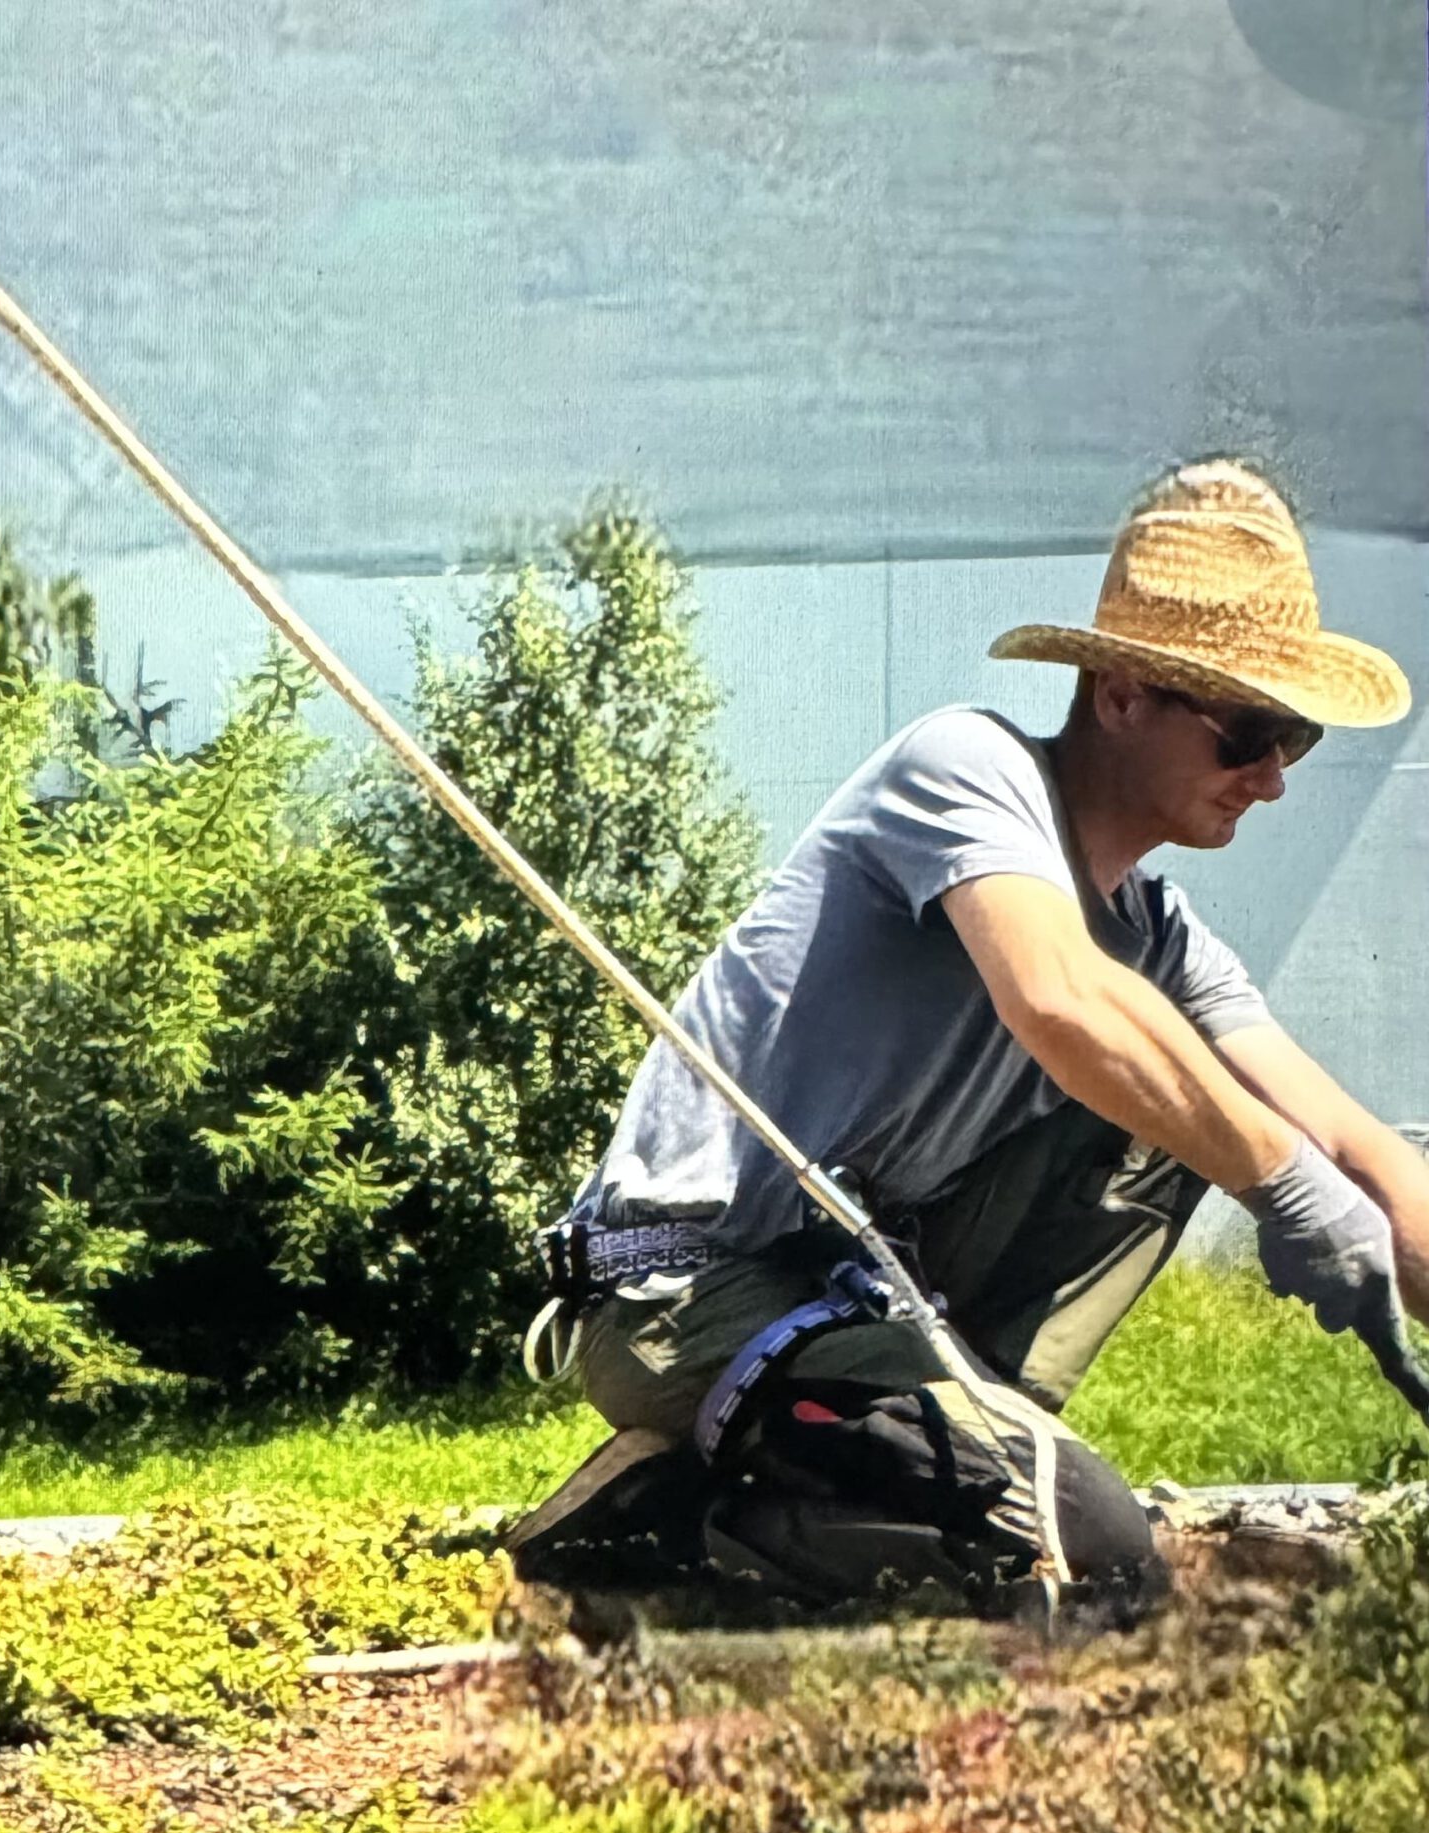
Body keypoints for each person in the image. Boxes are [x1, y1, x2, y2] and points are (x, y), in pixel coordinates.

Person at [508, 458, 1426, 1612]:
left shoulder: (1157, 936)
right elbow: (1057, 997)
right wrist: (1285, 1185)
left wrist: (1329, 1188)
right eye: (1245, 729)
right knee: (1083, 1554)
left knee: (1182, 1106)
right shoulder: (965, 766)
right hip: (685, 1294)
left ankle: (946, 1435)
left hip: (855, 1293)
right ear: (1122, 693)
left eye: (1291, 736)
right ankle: (653, 1526)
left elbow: (1354, 1148)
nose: (1270, 780)